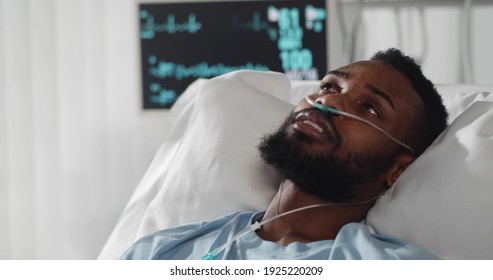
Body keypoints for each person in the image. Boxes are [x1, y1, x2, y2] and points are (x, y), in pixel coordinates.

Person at [121, 48, 448, 260]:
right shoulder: (160, 251)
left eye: (370, 109)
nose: (329, 102)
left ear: (398, 169)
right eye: (330, 86)